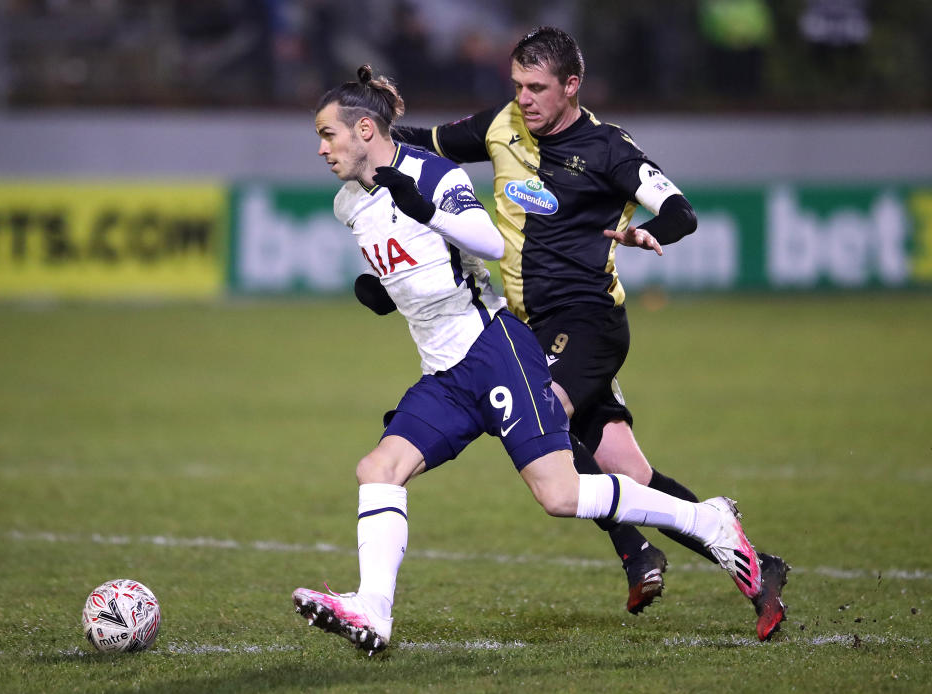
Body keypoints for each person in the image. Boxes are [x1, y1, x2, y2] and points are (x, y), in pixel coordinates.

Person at [292, 65, 766, 655]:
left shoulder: (431, 174)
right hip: (444, 372)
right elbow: (421, 266)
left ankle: (706, 521)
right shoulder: (348, 205)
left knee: (560, 496)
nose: (320, 147)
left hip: (494, 350)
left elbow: (487, 243)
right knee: (376, 470)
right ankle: (374, 612)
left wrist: (423, 207)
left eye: (327, 133)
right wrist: (385, 292)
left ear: (365, 129)